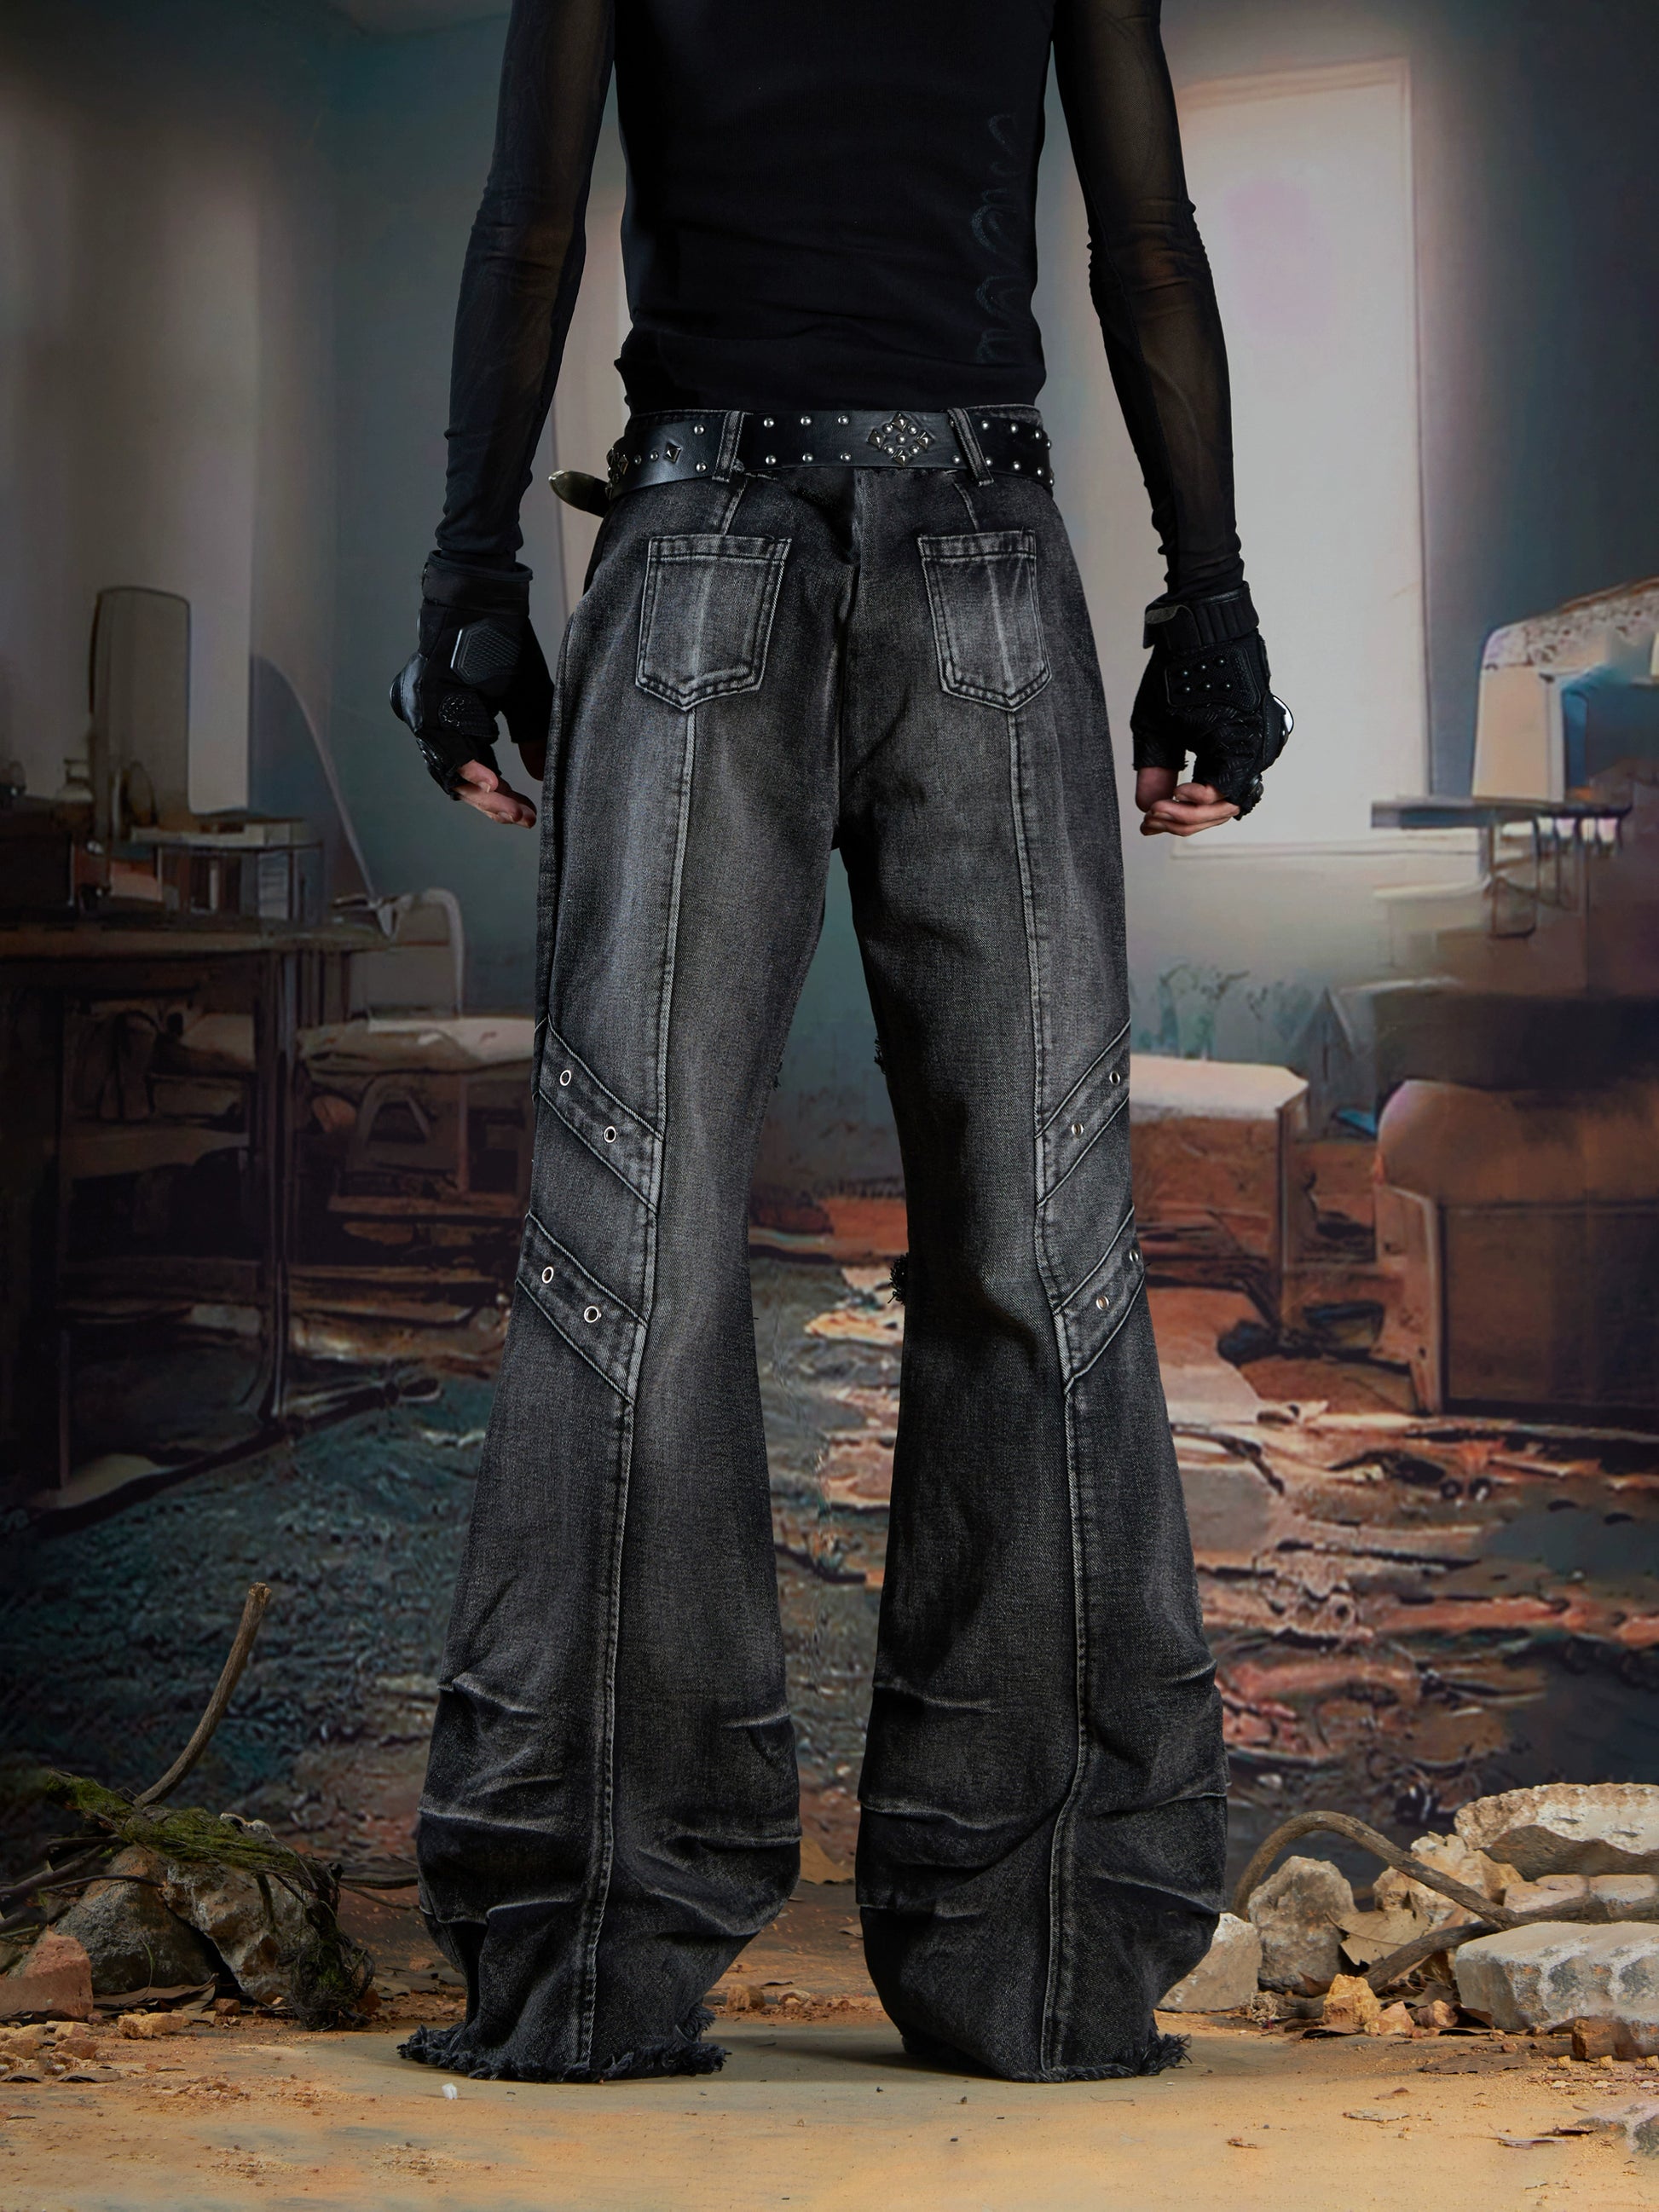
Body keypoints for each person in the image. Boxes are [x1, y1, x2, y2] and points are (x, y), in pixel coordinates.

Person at [390, 0, 1290, 2086]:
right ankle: (1042, 1958)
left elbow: (531, 225)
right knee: (1039, 1249)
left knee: (629, 1245)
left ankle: (585, 1955)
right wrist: (1208, 603)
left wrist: (468, 575)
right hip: (984, 553)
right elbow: (1144, 245)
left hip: (698, 540)